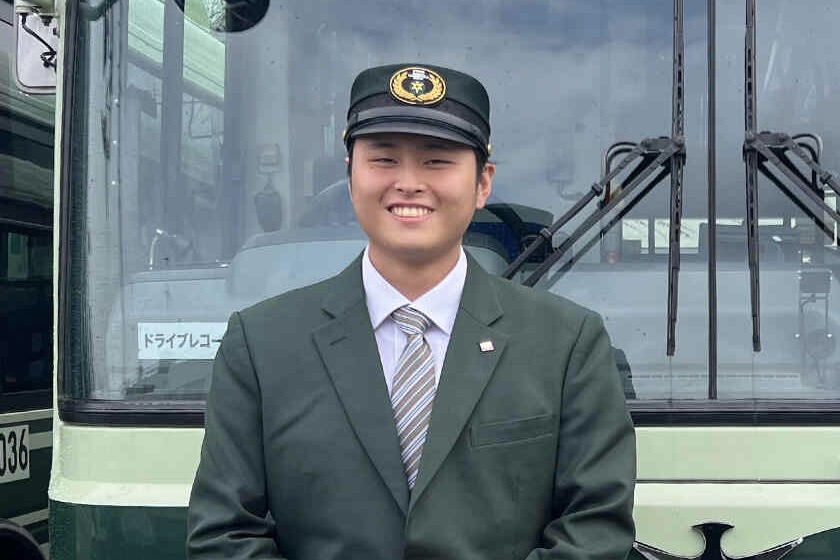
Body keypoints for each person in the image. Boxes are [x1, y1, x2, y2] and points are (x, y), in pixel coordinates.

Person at [187, 63, 636, 560]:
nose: (408, 183)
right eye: (383, 159)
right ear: (350, 176)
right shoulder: (261, 344)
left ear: (483, 183)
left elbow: (595, 529)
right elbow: (225, 535)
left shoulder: (567, 344)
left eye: (437, 161)